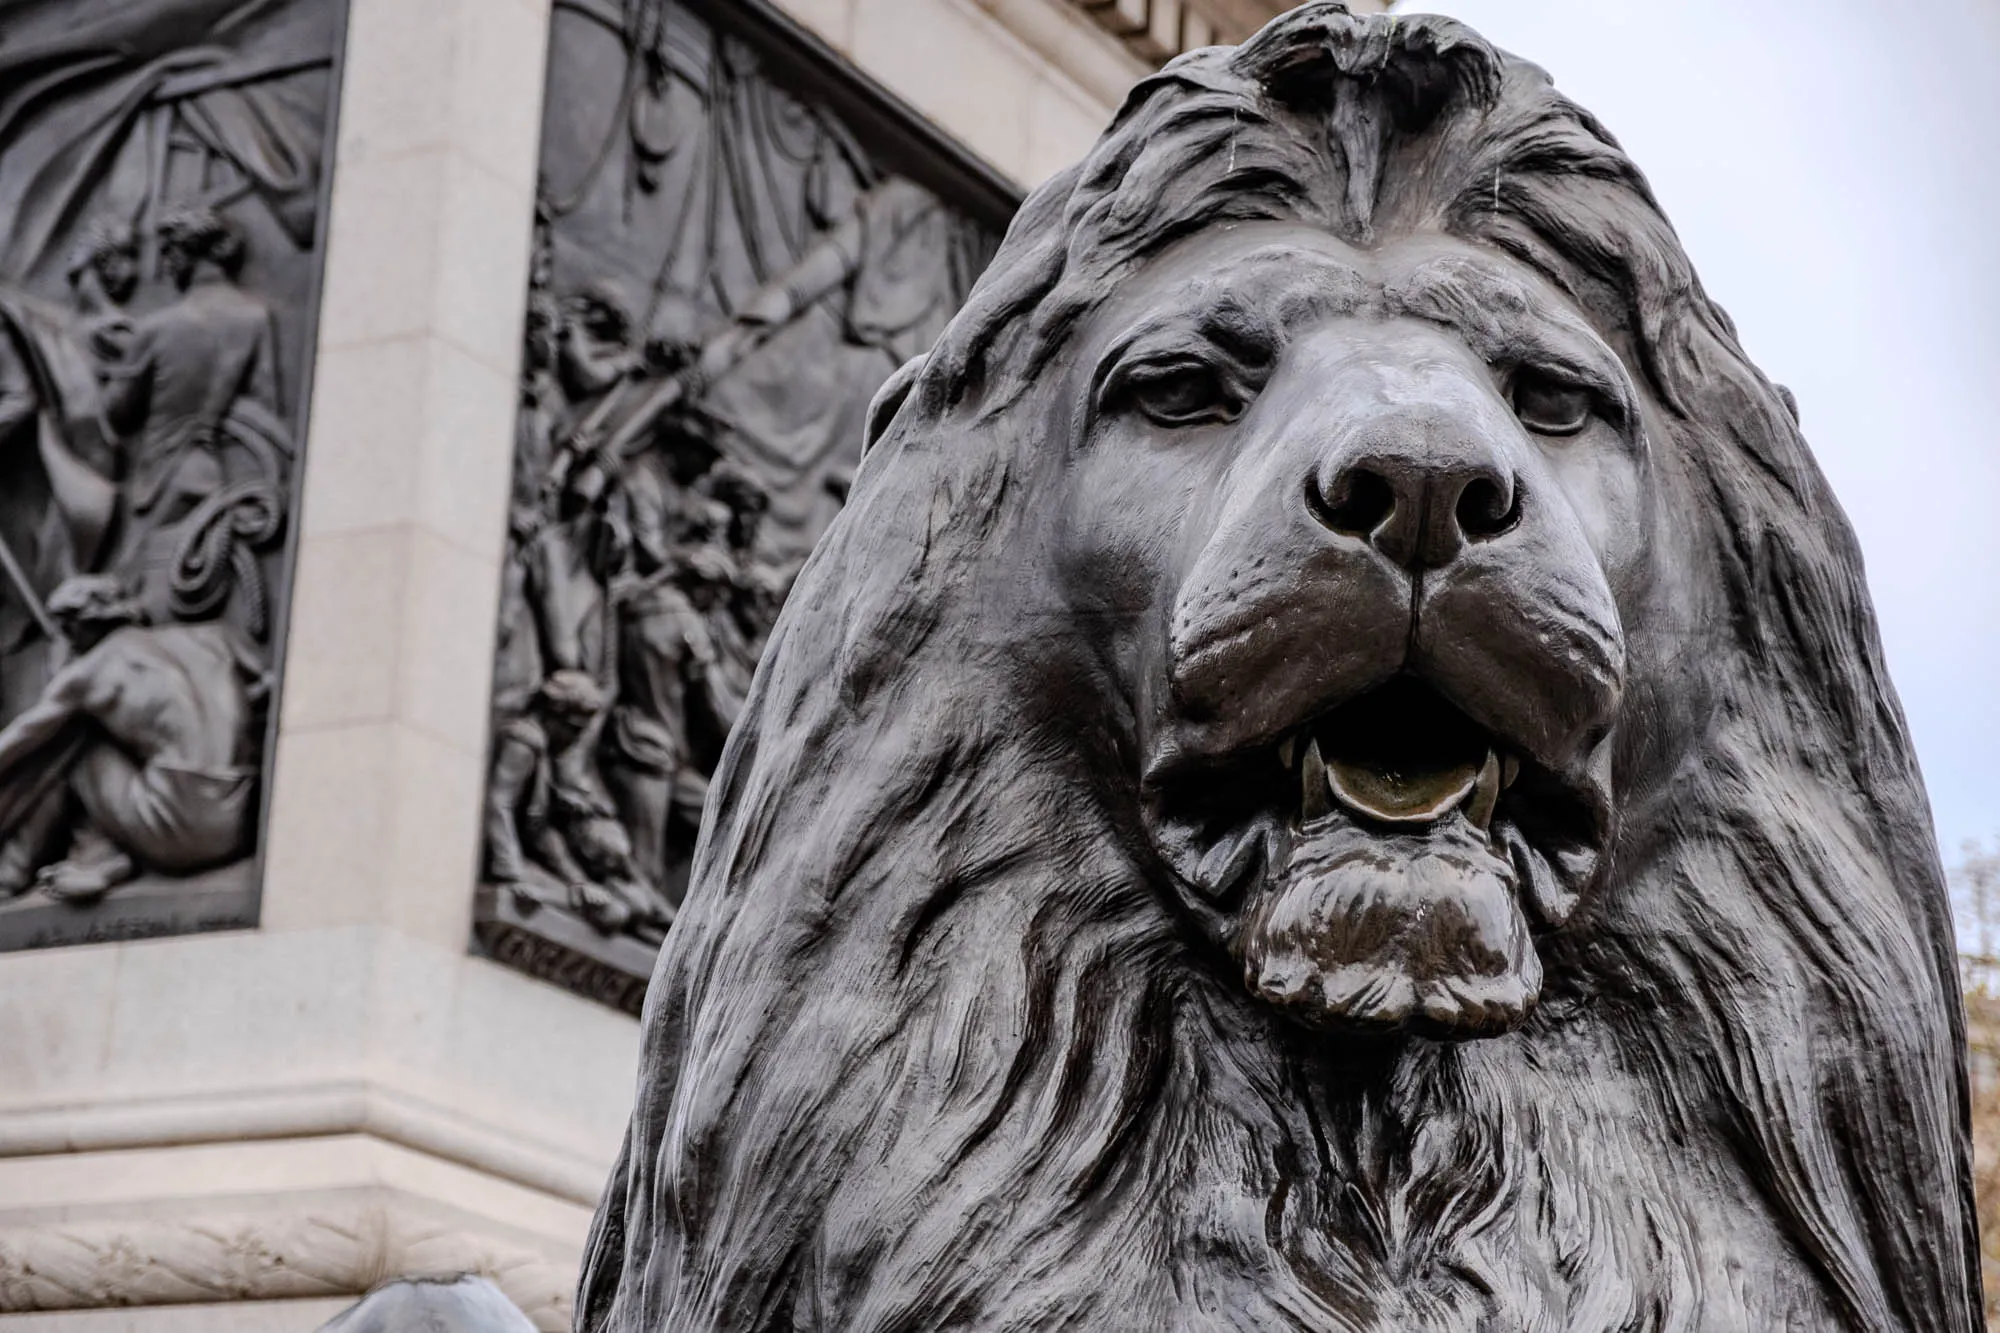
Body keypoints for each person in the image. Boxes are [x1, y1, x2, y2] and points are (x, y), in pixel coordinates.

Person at [0, 575, 265, 901]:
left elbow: (19, 738)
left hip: (176, 826)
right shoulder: (215, 636)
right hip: (242, 816)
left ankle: (21, 874)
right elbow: (270, 685)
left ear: (77, 626)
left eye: (66, 629)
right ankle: (102, 858)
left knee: (72, 742)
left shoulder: (88, 673)